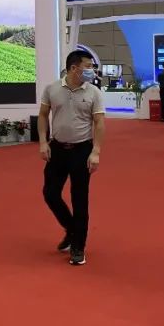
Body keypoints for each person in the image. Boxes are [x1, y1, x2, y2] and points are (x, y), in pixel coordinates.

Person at [38, 50, 106, 267]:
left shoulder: (94, 92)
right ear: (74, 68)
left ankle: (78, 246)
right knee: (50, 193)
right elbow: (43, 115)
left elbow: (99, 123)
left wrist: (96, 151)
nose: (91, 70)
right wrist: (43, 142)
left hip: (82, 150)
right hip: (57, 149)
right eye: (88, 66)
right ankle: (71, 228)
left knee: (79, 199)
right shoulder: (52, 89)